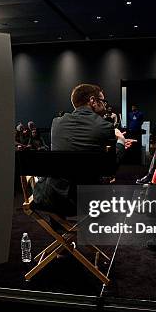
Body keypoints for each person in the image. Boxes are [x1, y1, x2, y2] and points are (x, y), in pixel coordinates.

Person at [33, 84, 134, 216]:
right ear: (92, 101)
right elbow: (112, 165)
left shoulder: (57, 123)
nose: (105, 105)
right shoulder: (104, 126)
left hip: (51, 197)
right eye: (103, 101)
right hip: (86, 202)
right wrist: (120, 140)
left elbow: (76, 145)